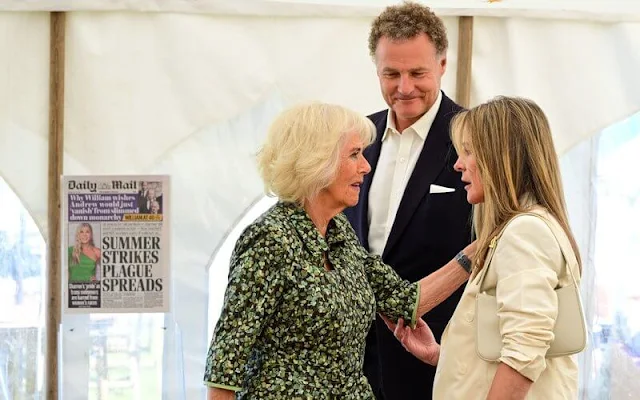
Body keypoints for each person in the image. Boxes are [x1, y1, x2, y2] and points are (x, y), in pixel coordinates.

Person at [203, 102, 475, 399]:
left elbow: (404, 301)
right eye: (354, 154)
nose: (366, 166)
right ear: (318, 161)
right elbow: (227, 357)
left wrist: (478, 250)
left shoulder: (339, 232)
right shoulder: (269, 237)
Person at [384, 96, 583, 399]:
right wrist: (443, 355)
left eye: (468, 151)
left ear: (500, 157)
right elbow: (511, 346)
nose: (458, 164)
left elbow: (525, 351)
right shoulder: (523, 228)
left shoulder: (525, 232)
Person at [343, 2, 472, 398]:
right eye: (391, 74)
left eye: (417, 73)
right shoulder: (357, 136)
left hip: (436, 353)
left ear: (443, 65)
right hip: (354, 358)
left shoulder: (472, 138)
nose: (403, 88)